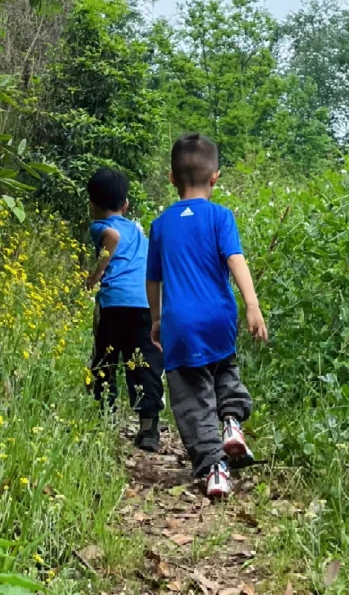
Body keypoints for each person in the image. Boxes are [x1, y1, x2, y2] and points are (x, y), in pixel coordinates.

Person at [146, 133, 268, 499]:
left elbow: (153, 280)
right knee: (224, 368)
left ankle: (215, 468)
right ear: (215, 177)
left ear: (171, 178)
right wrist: (252, 304)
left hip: (179, 325)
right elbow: (235, 260)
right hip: (218, 317)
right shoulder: (220, 216)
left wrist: (156, 319)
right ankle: (231, 422)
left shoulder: (161, 225)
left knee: (191, 397)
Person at [85, 166, 165, 451]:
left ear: (92, 205)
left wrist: (96, 275)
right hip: (144, 303)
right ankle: (149, 428)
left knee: (106, 359)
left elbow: (111, 238)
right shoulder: (138, 230)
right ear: (126, 204)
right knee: (145, 364)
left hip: (115, 302)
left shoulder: (99, 226)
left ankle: (105, 415)